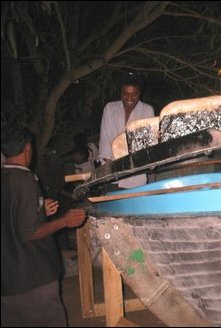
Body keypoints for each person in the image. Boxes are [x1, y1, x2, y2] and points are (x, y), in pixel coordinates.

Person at [1, 126, 87, 327]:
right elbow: (29, 232)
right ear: (28, 149)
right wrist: (64, 221)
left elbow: (12, 217)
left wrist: (40, 211)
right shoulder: (25, 179)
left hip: (7, 279)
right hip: (32, 278)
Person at [98, 72, 154, 189]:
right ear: (120, 92)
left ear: (139, 93)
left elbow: (147, 145)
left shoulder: (147, 111)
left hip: (136, 177)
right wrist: (112, 169)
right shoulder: (110, 109)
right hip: (112, 176)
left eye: (134, 94)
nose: (129, 98)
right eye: (125, 94)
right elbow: (105, 143)